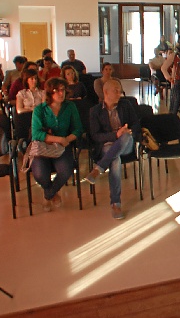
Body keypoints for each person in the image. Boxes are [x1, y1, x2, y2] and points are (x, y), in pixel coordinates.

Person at [84, 79, 141, 220]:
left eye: (120, 90)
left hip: (126, 144)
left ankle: (99, 169)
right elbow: (95, 136)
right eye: (115, 90)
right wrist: (115, 135)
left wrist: (127, 131)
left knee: (126, 137)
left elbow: (136, 123)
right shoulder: (95, 111)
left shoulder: (126, 105)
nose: (119, 93)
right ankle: (116, 203)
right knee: (115, 160)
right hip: (107, 146)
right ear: (105, 92)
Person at [30, 77, 83, 212]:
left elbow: (78, 129)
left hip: (62, 147)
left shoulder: (70, 106)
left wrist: (67, 139)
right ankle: (52, 192)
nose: (61, 93)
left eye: (63, 90)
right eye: (57, 91)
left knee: (66, 170)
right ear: (49, 93)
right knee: (39, 174)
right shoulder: (40, 110)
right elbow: (36, 134)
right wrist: (58, 138)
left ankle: (48, 195)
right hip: (43, 147)